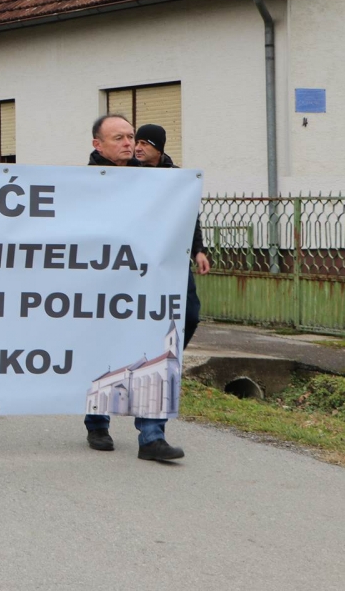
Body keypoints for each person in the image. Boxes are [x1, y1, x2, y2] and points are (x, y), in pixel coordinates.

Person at [84, 113, 184, 462]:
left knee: (156, 350)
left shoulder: (160, 180)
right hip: (103, 282)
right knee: (104, 348)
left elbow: (183, 220)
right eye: (119, 138)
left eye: (131, 136)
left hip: (149, 281)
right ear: (97, 145)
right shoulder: (83, 183)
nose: (129, 143)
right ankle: (97, 421)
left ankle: (152, 437)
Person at [134, 124, 211, 348]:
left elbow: (189, 215)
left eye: (144, 143)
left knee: (190, 313)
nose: (137, 148)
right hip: (137, 256)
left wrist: (198, 250)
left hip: (172, 256)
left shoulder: (177, 178)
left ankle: (171, 356)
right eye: (136, 142)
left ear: (159, 148)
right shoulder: (128, 173)